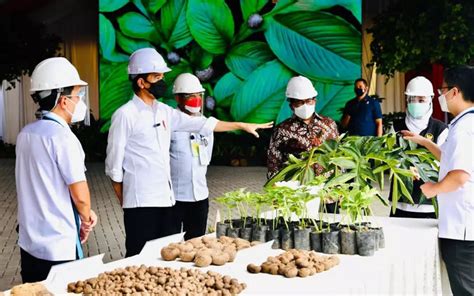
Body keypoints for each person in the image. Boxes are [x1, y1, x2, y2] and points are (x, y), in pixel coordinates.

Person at [105, 48, 272, 257]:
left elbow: (203, 124)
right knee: (138, 257)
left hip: (166, 201)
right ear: (141, 82)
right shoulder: (125, 115)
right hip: (140, 203)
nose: (162, 81)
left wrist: (241, 124)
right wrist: (125, 201)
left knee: (164, 255)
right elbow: (113, 166)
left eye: (163, 76)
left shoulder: (165, 112)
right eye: (157, 77)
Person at [15, 57, 97, 282]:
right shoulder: (63, 138)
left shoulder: (26, 134)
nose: (80, 101)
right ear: (63, 100)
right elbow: (81, 198)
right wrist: (86, 217)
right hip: (58, 247)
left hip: (29, 243)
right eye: (78, 95)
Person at [402, 65, 474, 295]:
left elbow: (460, 175)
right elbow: (450, 158)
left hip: (461, 230)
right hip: (462, 225)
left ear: (454, 92)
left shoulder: (463, 128)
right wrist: (424, 142)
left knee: (465, 289)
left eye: (442, 90)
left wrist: (432, 189)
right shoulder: (464, 123)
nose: (441, 95)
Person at [389, 76, 448, 219]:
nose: (416, 103)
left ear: (430, 100)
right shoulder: (396, 127)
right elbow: (388, 156)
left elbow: (445, 161)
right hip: (401, 202)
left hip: (428, 203)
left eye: (421, 100)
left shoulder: (440, 129)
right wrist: (401, 167)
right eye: (412, 99)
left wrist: (421, 169)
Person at [267, 76, 339, 179]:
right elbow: (273, 162)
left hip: (327, 186)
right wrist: (276, 187)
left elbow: (338, 156)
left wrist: (340, 185)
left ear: (315, 101)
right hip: (297, 187)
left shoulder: (329, 124)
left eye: (308, 101)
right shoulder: (282, 130)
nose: (305, 105)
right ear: (291, 105)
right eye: (299, 102)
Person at [169, 73, 214, 240]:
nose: (195, 99)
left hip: (200, 197)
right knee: (169, 245)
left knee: (195, 244)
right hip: (175, 199)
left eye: (198, 95)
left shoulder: (207, 125)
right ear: (178, 98)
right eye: (189, 96)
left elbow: (207, 157)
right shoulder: (170, 122)